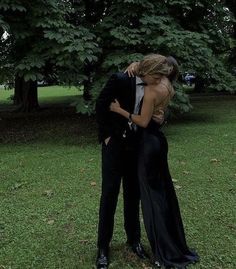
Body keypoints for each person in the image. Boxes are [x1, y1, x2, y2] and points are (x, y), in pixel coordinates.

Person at [110, 54, 199, 269]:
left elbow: (142, 120)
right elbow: (157, 112)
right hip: (158, 141)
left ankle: (164, 252)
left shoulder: (152, 89)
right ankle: (174, 244)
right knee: (164, 194)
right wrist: (134, 65)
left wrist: (120, 110)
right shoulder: (168, 84)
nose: (159, 76)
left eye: (160, 74)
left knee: (151, 199)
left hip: (147, 145)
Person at [95, 60, 165, 269]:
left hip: (137, 147)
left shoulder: (153, 86)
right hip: (114, 145)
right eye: (157, 76)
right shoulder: (120, 79)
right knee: (109, 194)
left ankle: (133, 239)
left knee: (133, 194)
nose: (160, 81)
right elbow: (100, 105)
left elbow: (153, 112)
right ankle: (102, 248)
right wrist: (106, 136)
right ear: (149, 72)